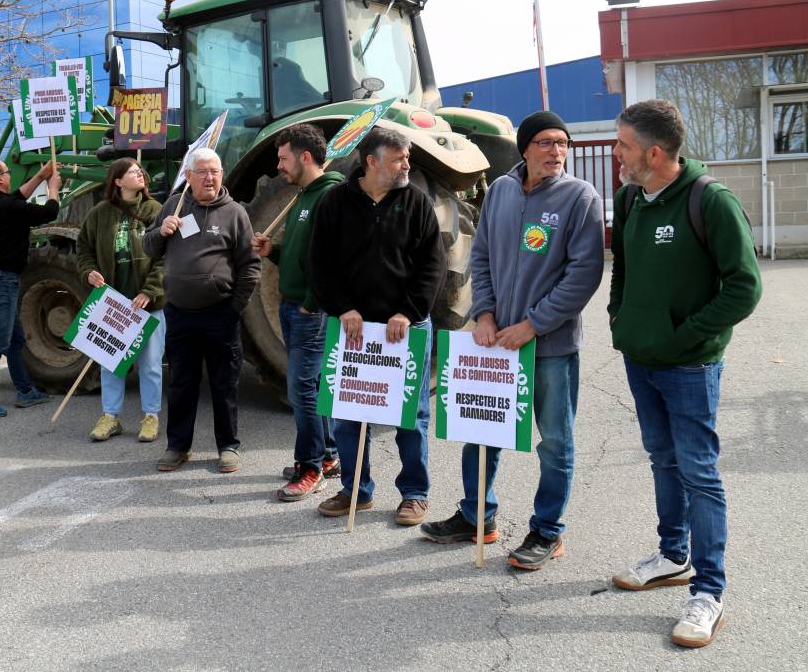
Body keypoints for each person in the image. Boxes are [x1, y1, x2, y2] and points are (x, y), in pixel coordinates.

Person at [420, 111, 605, 569]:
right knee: (480, 431)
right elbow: (480, 257)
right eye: (545, 142)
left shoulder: (580, 198)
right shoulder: (501, 191)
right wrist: (483, 315)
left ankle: (547, 531)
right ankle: (475, 517)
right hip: (494, 343)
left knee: (555, 442)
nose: (556, 151)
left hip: (549, 348)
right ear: (525, 148)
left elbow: (584, 275)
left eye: (562, 143)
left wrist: (533, 325)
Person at [608, 99, 761, 648]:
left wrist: (685, 336)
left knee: (699, 471)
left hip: (690, 365)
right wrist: (620, 317)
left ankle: (709, 593)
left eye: (622, 144)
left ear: (652, 151)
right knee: (662, 458)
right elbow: (621, 267)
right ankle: (673, 555)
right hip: (640, 357)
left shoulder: (709, 200)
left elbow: (744, 288)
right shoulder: (629, 199)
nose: (616, 153)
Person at [307, 127, 443, 525]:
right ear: (371, 161)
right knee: (348, 415)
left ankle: (415, 494)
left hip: (405, 329)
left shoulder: (416, 202)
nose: (407, 164)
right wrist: (342, 308)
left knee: (410, 417)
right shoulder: (336, 202)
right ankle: (355, 490)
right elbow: (320, 263)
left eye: (407, 157)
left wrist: (408, 311)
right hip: (354, 331)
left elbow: (432, 266)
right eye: (400, 157)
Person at [142, 147, 261, 473]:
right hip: (179, 314)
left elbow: (250, 266)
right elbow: (148, 247)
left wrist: (234, 308)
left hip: (220, 315)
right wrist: (160, 231)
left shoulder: (235, 213)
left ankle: (228, 447)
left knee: (224, 385)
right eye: (203, 172)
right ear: (189, 176)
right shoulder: (174, 206)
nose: (210, 178)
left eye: (216, 171)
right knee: (181, 384)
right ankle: (178, 447)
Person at [250, 123, 344, 501]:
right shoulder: (303, 197)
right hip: (294, 308)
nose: (279, 166)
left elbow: (337, 261)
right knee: (315, 385)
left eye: (283, 158)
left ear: (305, 157)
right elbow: (301, 255)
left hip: (309, 311)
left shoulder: (330, 196)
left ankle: (310, 466)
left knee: (301, 387)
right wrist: (272, 251)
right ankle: (329, 456)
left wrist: (311, 302)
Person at [75, 158, 166, 442]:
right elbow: (83, 248)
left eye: (140, 171)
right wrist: (89, 272)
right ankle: (110, 417)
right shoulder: (99, 214)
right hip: (113, 304)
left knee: (150, 365)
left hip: (148, 304)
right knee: (111, 363)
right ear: (117, 181)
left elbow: (167, 257)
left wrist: (149, 291)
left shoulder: (155, 210)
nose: (140, 174)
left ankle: (151, 416)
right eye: (132, 172)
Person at [0, 157, 60, 417]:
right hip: (1, 280)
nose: (10, 175)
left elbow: (18, 196)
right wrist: (53, 187)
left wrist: (41, 175)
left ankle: (25, 391)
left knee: (15, 339)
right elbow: (48, 213)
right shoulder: (5, 207)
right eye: (7, 172)